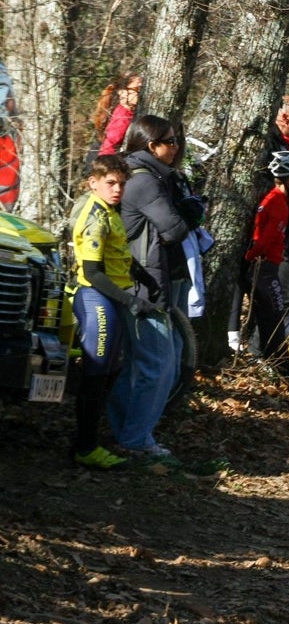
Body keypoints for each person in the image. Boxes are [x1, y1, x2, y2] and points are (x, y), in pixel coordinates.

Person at [111, 116, 198, 459]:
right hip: (143, 285)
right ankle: (134, 441)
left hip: (152, 279)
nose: (177, 147)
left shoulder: (153, 176)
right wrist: (191, 213)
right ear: (151, 146)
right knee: (156, 365)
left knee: (151, 362)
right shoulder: (144, 181)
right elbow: (174, 228)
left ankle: (127, 433)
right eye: (171, 141)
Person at [69, 155, 142, 469]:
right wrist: (130, 301)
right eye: (111, 183)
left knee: (110, 371)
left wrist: (143, 277)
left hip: (111, 299)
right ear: (93, 183)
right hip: (95, 298)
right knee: (95, 374)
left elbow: (117, 255)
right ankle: (85, 447)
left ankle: (92, 440)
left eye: (122, 184)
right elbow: (94, 272)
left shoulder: (109, 211)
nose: (117, 190)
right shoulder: (95, 217)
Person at [242, 151, 289, 392]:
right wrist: (250, 259)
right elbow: (262, 238)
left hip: (267, 266)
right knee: (275, 319)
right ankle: (286, 376)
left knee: (271, 318)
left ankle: (273, 368)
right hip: (264, 268)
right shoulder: (276, 203)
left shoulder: (278, 201)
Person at [92, 72, 142, 157]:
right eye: (137, 89)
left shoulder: (128, 113)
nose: (141, 93)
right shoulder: (122, 117)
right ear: (122, 92)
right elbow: (108, 149)